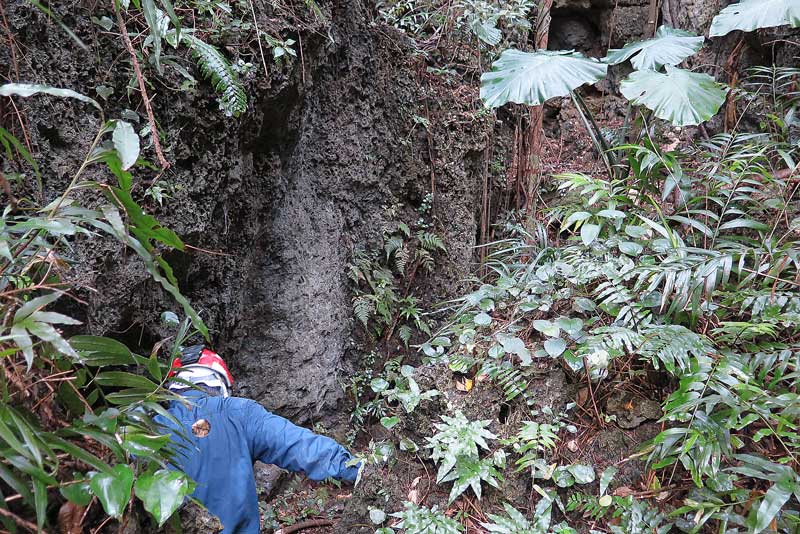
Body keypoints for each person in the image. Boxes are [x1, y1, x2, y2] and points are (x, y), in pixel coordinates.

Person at [154, 345, 361, 533]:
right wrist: (358, 468)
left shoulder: (144, 425)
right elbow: (298, 445)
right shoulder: (239, 414)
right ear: (220, 380)